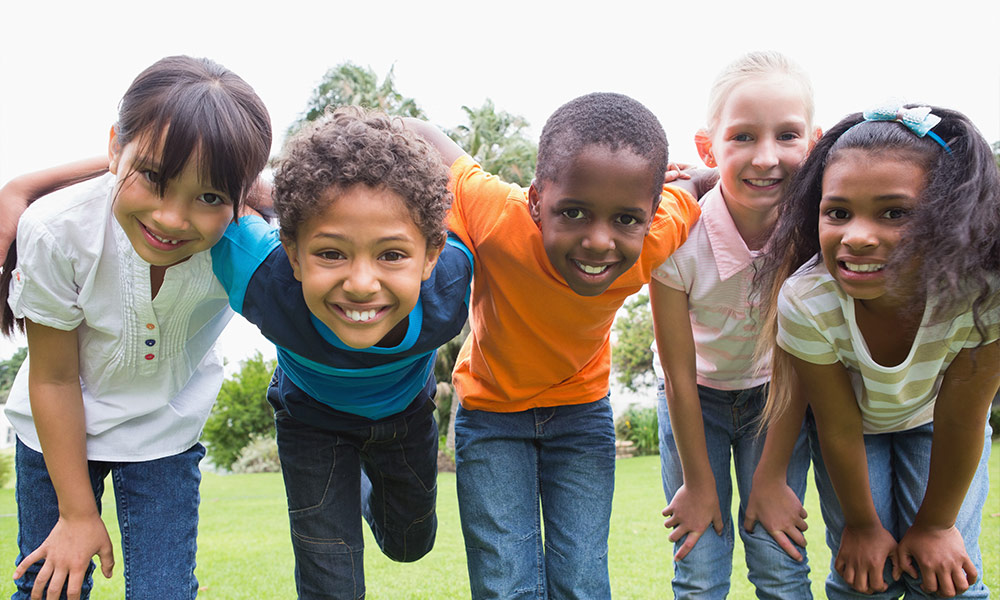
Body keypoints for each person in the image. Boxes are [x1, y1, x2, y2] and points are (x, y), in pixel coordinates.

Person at [407, 92, 701, 599]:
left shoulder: (659, 233)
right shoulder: (495, 214)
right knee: (504, 582)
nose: (599, 241)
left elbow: (698, 185)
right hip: (491, 414)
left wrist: (703, 174)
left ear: (652, 214)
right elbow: (423, 132)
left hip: (581, 416)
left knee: (582, 580)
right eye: (575, 212)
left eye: (626, 219)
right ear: (536, 201)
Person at [2, 55, 272, 599]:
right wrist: (76, 514)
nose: (173, 219)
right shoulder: (59, 232)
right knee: (49, 587)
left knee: (164, 592)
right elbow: (53, 379)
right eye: (154, 178)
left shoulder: (247, 245)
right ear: (112, 150)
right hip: (53, 426)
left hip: (161, 434)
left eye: (210, 197)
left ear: (240, 199)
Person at [210, 106, 473, 600]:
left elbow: (494, 204)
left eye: (392, 254)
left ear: (430, 258)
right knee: (331, 579)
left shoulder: (451, 284)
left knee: (410, 542)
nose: (360, 285)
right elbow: (190, 173)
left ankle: (362, 485)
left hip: (404, 416)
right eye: (330, 253)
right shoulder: (261, 278)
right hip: (311, 420)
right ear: (291, 252)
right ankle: (338, 483)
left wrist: (426, 132)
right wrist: (20, 187)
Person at [755, 104, 1000, 599]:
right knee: (865, 577)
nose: (858, 236)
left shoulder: (982, 296)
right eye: (838, 213)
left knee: (944, 576)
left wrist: (935, 526)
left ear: (949, 217)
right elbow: (838, 424)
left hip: (936, 423)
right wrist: (862, 527)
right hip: (855, 430)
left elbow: (962, 420)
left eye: (895, 213)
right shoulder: (808, 301)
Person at [650, 50, 821, 599]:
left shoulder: (817, 233)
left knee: (779, 558)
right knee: (699, 566)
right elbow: (677, 375)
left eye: (788, 135)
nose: (766, 157)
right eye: (743, 136)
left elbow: (799, 365)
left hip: (777, 393)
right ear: (709, 147)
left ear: (813, 142)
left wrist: (771, 479)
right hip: (691, 395)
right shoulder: (677, 232)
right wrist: (699, 485)